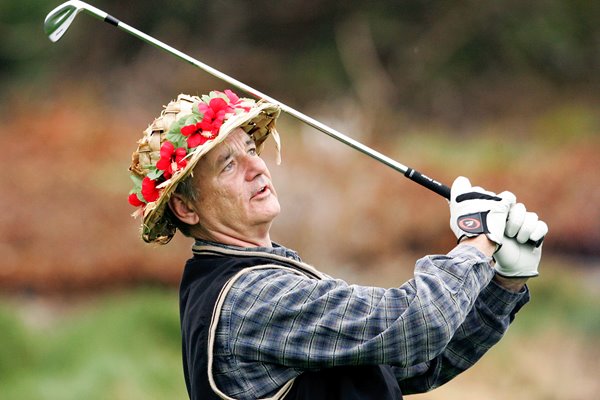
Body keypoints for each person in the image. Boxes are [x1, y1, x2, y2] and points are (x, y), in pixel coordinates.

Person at [128, 90, 548, 400]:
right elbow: (419, 325)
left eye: (252, 149)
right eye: (228, 164)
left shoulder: (262, 275)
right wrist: (476, 241)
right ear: (186, 209)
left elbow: (416, 365)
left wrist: (504, 283)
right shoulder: (250, 297)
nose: (257, 167)